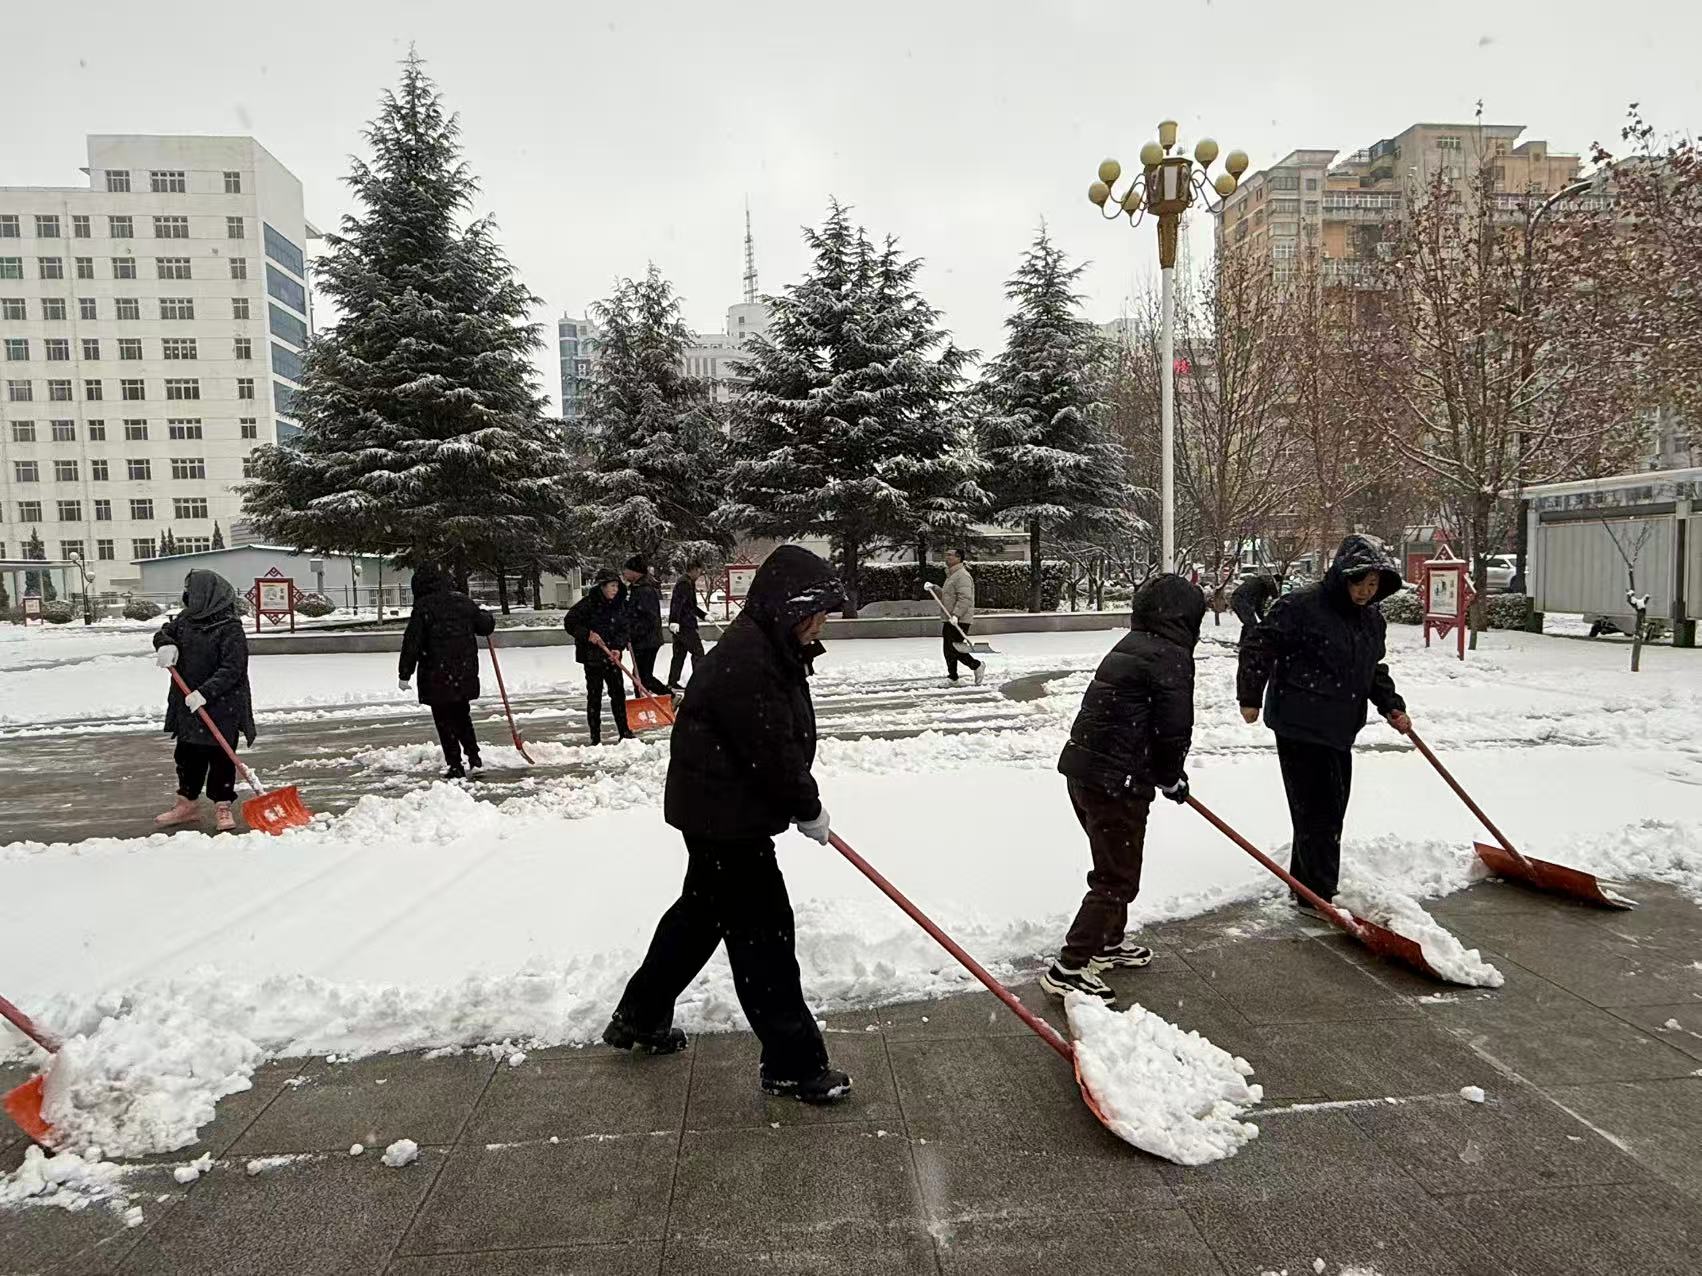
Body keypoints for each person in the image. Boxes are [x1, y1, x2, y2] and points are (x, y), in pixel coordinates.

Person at [604, 546, 852, 1105]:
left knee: (700, 917)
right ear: (790, 608)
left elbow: (774, 742)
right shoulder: (750, 661)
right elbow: (771, 751)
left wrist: (799, 800)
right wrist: (807, 806)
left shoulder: (768, 645)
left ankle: (640, 1015)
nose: (822, 625)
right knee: (765, 939)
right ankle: (792, 1063)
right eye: (817, 614)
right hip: (727, 819)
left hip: (717, 810)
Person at [1040, 575, 1205, 1004]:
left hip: (1085, 772)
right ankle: (1069, 968)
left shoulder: (1133, 643)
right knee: (1116, 876)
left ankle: (1108, 943)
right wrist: (1171, 775)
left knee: (1114, 862)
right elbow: (1172, 731)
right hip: (1116, 781)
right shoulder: (1170, 656)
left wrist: (1163, 775)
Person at [1237, 535, 1412, 912]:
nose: (1366, 591)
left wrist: (1391, 706)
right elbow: (1259, 646)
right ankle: (1317, 893)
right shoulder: (1301, 606)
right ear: (1343, 577)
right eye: (1360, 582)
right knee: (1318, 812)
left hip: (1339, 727)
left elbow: (1372, 669)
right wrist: (1250, 696)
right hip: (1299, 721)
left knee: (1327, 811)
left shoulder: (1370, 619)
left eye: (1373, 585)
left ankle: (1307, 887)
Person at [151, 570, 255, 833]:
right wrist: (165, 644)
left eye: (192, 590)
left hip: (222, 703)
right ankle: (187, 804)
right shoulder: (185, 620)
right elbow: (163, 633)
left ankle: (222, 805)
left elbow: (233, 668)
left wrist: (205, 693)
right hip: (187, 702)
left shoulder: (229, 627)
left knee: (221, 756)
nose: (187, 595)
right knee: (188, 755)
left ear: (208, 593)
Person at [398, 563, 497, 779]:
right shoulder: (463, 602)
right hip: (463, 672)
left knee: (443, 720)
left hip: (436, 675)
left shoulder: (424, 607)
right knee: (462, 715)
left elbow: (412, 642)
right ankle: (474, 756)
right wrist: (487, 616)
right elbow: (484, 626)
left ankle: (455, 764)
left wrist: (405, 673)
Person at [566, 569, 634, 745]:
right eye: (612, 586)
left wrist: (618, 648)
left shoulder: (619, 605)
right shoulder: (588, 604)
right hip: (592, 658)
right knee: (594, 696)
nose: (615, 590)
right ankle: (595, 736)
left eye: (617, 586)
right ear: (602, 586)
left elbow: (625, 629)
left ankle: (624, 731)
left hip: (612, 658)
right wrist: (587, 634)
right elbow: (570, 622)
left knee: (618, 694)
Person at [622, 555, 669, 696]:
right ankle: (644, 701)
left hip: (646, 641)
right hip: (644, 640)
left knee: (642, 677)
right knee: (639, 676)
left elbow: (647, 618)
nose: (624, 573)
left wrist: (633, 632)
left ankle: (669, 697)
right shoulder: (638, 588)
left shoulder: (644, 590)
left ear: (636, 572)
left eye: (626, 570)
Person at [935, 548, 983, 685]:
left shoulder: (962, 576)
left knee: (954, 648)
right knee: (948, 649)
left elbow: (965, 598)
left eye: (950, 555)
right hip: (950, 618)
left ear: (958, 558)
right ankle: (953, 677)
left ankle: (976, 665)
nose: (947, 557)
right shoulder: (952, 576)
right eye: (946, 555)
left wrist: (956, 615)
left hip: (960, 619)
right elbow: (948, 597)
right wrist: (936, 589)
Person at [667, 561, 710, 692]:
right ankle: (698, 682)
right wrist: (674, 621)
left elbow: (690, 606)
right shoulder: (684, 583)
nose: (700, 574)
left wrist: (704, 615)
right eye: (699, 571)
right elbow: (677, 603)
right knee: (698, 652)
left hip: (681, 625)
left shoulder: (688, 582)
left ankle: (672, 683)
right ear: (694, 570)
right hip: (685, 625)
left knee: (679, 654)